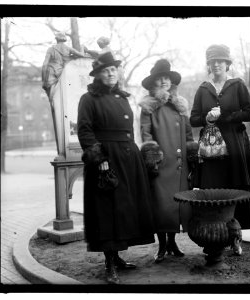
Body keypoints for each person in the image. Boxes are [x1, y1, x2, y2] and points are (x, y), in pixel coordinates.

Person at [77, 52, 156, 284]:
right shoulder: (88, 98)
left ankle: (119, 257)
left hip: (128, 159)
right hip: (106, 160)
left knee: (124, 209)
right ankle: (109, 262)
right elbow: (85, 130)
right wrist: (99, 157)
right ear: (98, 75)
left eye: (113, 69)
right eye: (106, 70)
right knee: (107, 210)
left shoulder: (122, 97)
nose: (111, 73)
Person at [190, 44, 250, 254]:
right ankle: (214, 238)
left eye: (220, 61)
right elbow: (193, 119)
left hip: (235, 145)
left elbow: (249, 113)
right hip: (211, 152)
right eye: (213, 62)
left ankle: (235, 236)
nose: (217, 64)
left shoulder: (237, 85)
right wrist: (207, 118)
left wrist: (227, 116)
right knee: (213, 191)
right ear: (209, 65)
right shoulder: (203, 88)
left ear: (227, 64)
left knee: (235, 187)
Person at [139, 59, 193, 263]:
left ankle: (172, 242)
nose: (163, 82)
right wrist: (152, 157)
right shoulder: (148, 107)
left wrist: (192, 153)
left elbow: (188, 135)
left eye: (166, 78)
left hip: (179, 164)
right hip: (161, 165)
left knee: (176, 206)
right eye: (159, 79)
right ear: (153, 83)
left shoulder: (180, 105)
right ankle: (162, 245)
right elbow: (145, 134)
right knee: (161, 206)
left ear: (171, 81)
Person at [42, 32, 86, 99]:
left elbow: (45, 64)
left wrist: (43, 79)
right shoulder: (68, 49)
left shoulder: (51, 49)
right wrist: (82, 47)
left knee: (51, 96)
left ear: (56, 39)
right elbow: (82, 55)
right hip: (64, 73)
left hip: (52, 73)